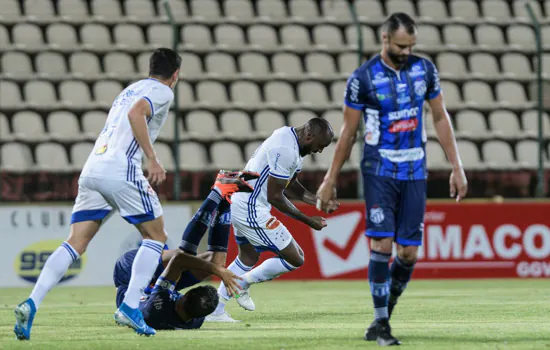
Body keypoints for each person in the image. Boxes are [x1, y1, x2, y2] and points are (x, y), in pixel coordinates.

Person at [316, 13, 468, 346]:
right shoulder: (363, 78)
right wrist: (330, 178)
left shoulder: (424, 70)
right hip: (379, 168)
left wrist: (456, 166)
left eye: (411, 46)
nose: (406, 51)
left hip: (415, 169)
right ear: (385, 39)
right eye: (400, 45)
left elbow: (440, 117)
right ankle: (382, 322)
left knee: (410, 253)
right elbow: (348, 131)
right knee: (382, 244)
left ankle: (383, 314)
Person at [14, 48, 182, 339]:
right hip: (121, 170)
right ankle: (130, 306)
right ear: (176, 75)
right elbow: (136, 114)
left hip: (93, 168)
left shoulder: (129, 89)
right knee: (156, 237)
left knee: (75, 242)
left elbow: (128, 111)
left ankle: (32, 301)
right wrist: (152, 158)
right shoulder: (163, 92)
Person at [208, 118, 339, 320]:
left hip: (243, 200)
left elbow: (291, 185)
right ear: (310, 135)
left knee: (248, 257)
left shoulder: (292, 141)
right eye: (320, 146)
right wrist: (308, 220)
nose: (319, 151)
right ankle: (242, 283)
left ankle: (215, 310)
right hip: (251, 207)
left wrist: (318, 201)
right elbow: (275, 196)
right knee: (295, 257)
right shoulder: (285, 148)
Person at [113, 170, 259, 328]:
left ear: (186, 296)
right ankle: (226, 198)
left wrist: (220, 272)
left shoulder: (157, 305)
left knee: (185, 255)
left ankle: (218, 191)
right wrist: (218, 268)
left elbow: (179, 260)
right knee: (217, 261)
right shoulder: (195, 320)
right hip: (155, 286)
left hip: (130, 273)